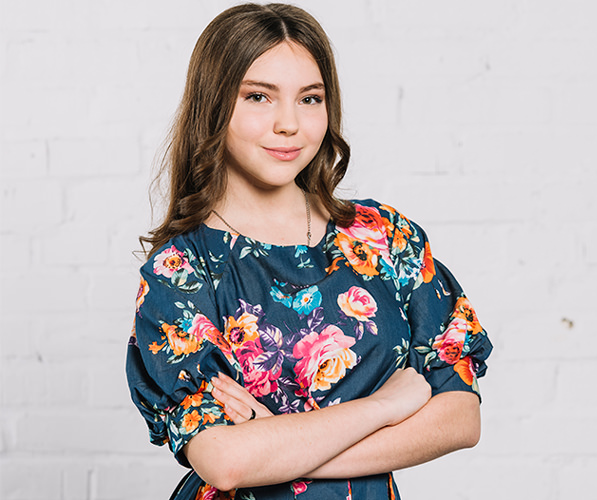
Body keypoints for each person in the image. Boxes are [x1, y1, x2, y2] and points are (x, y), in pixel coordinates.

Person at [125, 4, 492, 499]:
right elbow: (227, 462)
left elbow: (460, 417)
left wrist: (272, 445)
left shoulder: (383, 237)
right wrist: (385, 407)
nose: (289, 125)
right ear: (214, 106)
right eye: (258, 96)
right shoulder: (183, 269)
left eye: (310, 99)